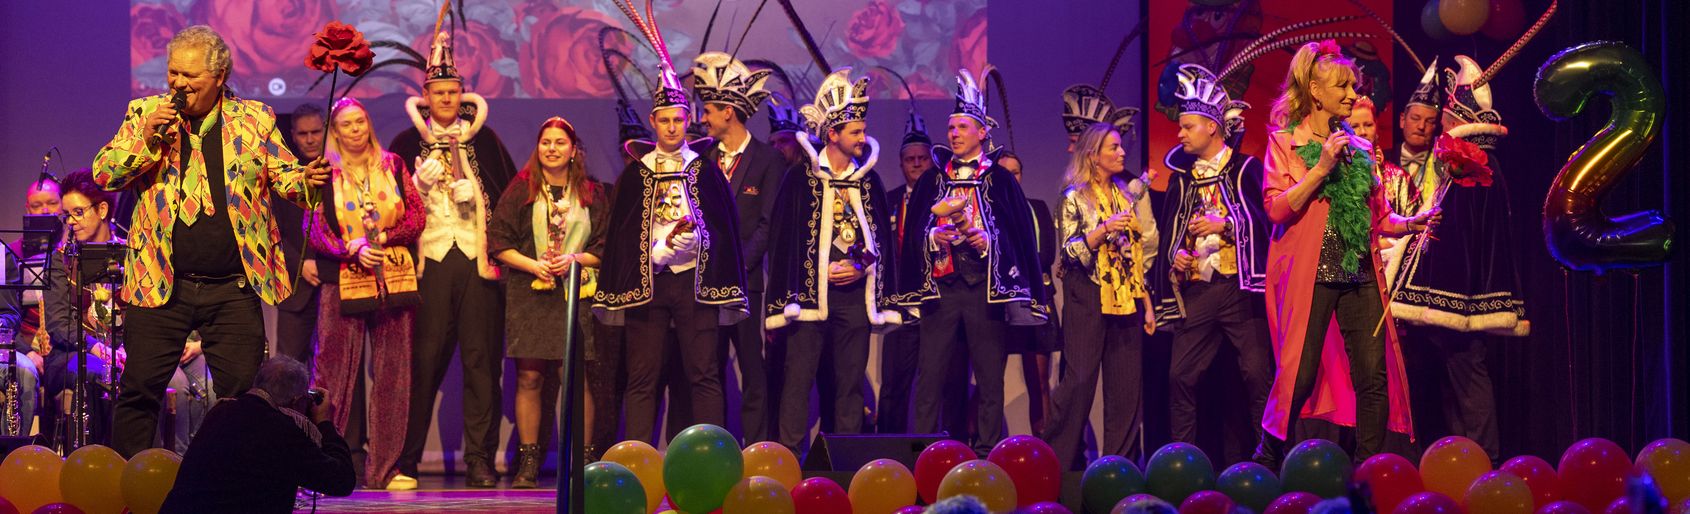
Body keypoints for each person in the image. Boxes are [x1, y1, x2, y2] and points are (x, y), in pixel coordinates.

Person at [91, 25, 329, 458]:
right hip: (160, 281)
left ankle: (240, 483)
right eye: (173, 73)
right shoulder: (145, 112)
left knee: (245, 398)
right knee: (139, 390)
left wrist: (307, 181)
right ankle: (126, 482)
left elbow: (286, 178)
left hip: (231, 286)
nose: (178, 84)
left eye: (190, 76)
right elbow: (105, 173)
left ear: (219, 76)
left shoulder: (255, 119)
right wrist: (146, 139)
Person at [1259, 41, 1438, 462]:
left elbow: (1380, 217)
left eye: (1352, 86)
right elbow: (1277, 208)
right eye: (1342, 86)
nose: (1352, 94)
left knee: (1373, 376)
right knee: (1300, 375)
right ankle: (1266, 457)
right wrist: (1321, 168)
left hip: (1357, 270)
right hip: (1312, 272)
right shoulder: (1285, 142)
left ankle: (1368, 469)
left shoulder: (1360, 149)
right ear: (1315, 92)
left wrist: (1412, 222)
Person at [592, 1, 749, 444]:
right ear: (653, 122)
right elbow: (622, 235)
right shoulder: (636, 174)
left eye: (679, 120)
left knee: (704, 374)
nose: (672, 127)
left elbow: (725, 230)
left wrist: (699, 244)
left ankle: (711, 454)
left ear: (687, 120)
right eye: (664, 120)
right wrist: (653, 253)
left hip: (693, 283)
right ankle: (638, 459)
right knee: (642, 377)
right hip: (650, 283)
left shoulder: (705, 171)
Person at [387, 15, 518, 487]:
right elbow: (384, 208)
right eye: (438, 92)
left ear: (462, 94)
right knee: (423, 363)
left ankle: (479, 459)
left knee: (481, 363)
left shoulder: (486, 141)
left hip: (476, 264)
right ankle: (406, 459)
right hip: (431, 264)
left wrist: (478, 197)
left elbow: (509, 200)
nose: (446, 99)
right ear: (425, 96)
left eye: (452, 91)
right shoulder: (405, 143)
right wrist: (416, 190)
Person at [895, 69, 1047, 454]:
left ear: (981, 132)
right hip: (942, 289)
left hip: (984, 290)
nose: (954, 134)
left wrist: (989, 241)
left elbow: (1019, 235)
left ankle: (986, 454)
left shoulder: (1000, 180)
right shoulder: (933, 179)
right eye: (950, 127)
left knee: (990, 378)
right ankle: (923, 452)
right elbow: (914, 231)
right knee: (930, 377)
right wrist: (933, 236)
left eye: (962, 127)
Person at [1384, 56, 1527, 463]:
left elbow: (1455, 237)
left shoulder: (1471, 164)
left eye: (1442, 118)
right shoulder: (1470, 161)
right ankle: (1462, 457)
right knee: (1453, 375)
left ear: (1455, 120)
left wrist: (1421, 279)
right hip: (1460, 293)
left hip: (1461, 294)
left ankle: (1484, 458)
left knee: (1467, 370)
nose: (1437, 125)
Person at [764, 68, 903, 454]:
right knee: (797, 382)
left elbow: (881, 240)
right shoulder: (800, 178)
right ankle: (789, 462)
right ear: (833, 134)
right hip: (810, 297)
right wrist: (811, 275)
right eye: (855, 131)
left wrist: (861, 267)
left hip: (854, 298)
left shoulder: (868, 181)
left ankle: (845, 462)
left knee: (849, 386)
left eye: (863, 130)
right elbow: (782, 240)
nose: (863, 138)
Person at [1155, 63, 1274, 465]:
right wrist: (1176, 255)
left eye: (1187, 126)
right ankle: (1181, 461)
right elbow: (1170, 231)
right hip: (1200, 289)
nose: (1180, 133)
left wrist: (1227, 224)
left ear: (1211, 127)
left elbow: (1267, 224)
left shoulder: (1247, 169)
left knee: (1257, 374)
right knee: (1180, 375)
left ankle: (1268, 458)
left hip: (1240, 288)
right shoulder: (1181, 179)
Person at [305, 97, 424, 490]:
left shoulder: (393, 165)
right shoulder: (325, 172)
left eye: (360, 121)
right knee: (331, 375)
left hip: (393, 276)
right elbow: (314, 226)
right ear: (336, 132)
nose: (355, 129)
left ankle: (384, 470)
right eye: (347, 124)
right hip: (343, 277)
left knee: (394, 375)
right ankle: (323, 465)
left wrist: (385, 238)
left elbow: (416, 215)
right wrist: (350, 247)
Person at [489, 117, 610, 487]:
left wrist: (573, 259)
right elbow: (498, 241)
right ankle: (528, 461)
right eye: (546, 142)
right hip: (530, 292)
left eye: (560, 142)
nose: (552, 149)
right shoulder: (521, 188)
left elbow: (603, 246)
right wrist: (534, 265)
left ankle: (583, 460)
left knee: (574, 378)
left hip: (574, 293)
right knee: (529, 377)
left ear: (573, 150)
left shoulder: (591, 192)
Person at [1042, 122, 1157, 468]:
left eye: (1121, 146)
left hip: (1126, 295)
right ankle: (1055, 464)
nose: (1122, 153)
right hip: (1087, 292)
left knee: (1126, 388)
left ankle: (1119, 468)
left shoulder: (1125, 195)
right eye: (1114, 148)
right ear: (1093, 155)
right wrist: (1104, 229)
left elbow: (1135, 255)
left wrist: (1147, 304)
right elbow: (1070, 251)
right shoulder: (1073, 197)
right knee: (1079, 381)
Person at [693, 51, 785, 444]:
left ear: (728, 112)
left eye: (708, 111)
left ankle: (756, 447)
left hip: (747, 284)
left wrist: (736, 266)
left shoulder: (768, 160)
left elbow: (767, 225)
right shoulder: (702, 159)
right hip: (706, 285)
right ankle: (712, 448)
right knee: (708, 369)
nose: (703, 119)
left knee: (752, 367)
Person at [160, 356, 356, 513]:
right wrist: (325, 423)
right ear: (297, 402)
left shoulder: (220, 412)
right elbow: (342, 480)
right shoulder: (281, 429)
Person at [878, 109, 969, 438]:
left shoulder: (949, 198)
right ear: (901, 164)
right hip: (901, 306)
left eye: (922, 158)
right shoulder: (887, 201)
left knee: (949, 381)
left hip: (940, 303)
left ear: (932, 161)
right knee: (894, 382)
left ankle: (951, 448)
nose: (916, 164)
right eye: (910, 159)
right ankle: (888, 448)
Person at [273, 103, 328, 372]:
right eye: (303, 134)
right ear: (293, 135)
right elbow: (273, 231)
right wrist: (301, 263)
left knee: (335, 367)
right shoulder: (284, 177)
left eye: (315, 132)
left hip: (336, 282)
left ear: (325, 130)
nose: (310, 139)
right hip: (295, 287)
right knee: (287, 369)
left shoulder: (339, 172)